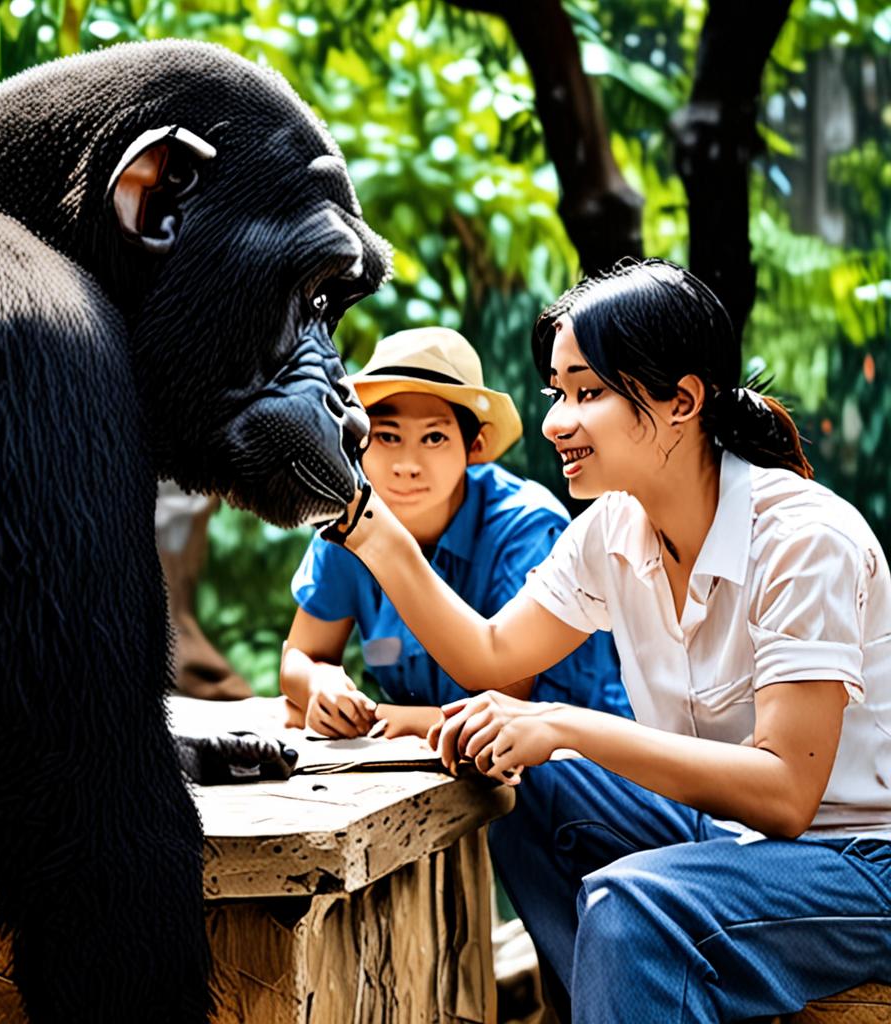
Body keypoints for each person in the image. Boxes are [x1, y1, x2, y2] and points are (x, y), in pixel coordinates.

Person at [322, 260, 891, 1023]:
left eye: (587, 393)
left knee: (632, 906)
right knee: (519, 784)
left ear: (681, 400)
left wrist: (564, 725)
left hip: (860, 864)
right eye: (557, 393)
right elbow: (489, 654)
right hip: (730, 843)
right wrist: (369, 525)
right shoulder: (612, 532)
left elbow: (786, 795)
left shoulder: (803, 539)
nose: (556, 422)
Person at [280, 326, 629, 740]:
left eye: (434, 438)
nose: (407, 465)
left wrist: (387, 718)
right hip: (428, 760)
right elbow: (300, 656)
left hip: (569, 761)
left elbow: (507, 702)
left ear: (474, 446)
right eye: (387, 436)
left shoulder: (525, 528)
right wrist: (320, 684)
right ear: (359, 442)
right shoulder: (352, 525)